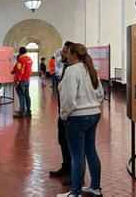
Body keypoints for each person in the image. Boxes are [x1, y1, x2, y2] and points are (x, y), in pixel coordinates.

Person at [57, 43, 104, 197]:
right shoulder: (90, 69)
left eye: (68, 53)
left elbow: (69, 98)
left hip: (76, 117)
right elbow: (100, 94)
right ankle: (95, 188)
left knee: (77, 156)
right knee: (91, 151)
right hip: (94, 114)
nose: (67, 56)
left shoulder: (71, 71)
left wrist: (64, 115)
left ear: (74, 55)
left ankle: (75, 193)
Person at [50, 41, 73, 179]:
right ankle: (66, 167)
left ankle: (75, 174)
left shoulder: (73, 69)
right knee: (63, 141)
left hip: (70, 114)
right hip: (63, 113)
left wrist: (65, 114)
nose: (62, 53)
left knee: (74, 146)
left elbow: (70, 95)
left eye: (65, 51)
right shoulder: (66, 67)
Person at [13, 47, 33, 118]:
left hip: (21, 80)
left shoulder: (21, 59)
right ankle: (28, 111)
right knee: (27, 95)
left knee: (21, 96)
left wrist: (16, 81)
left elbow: (18, 70)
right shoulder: (29, 59)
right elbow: (29, 70)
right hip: (27, 80)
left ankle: (22, 112)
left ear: (20, 52)